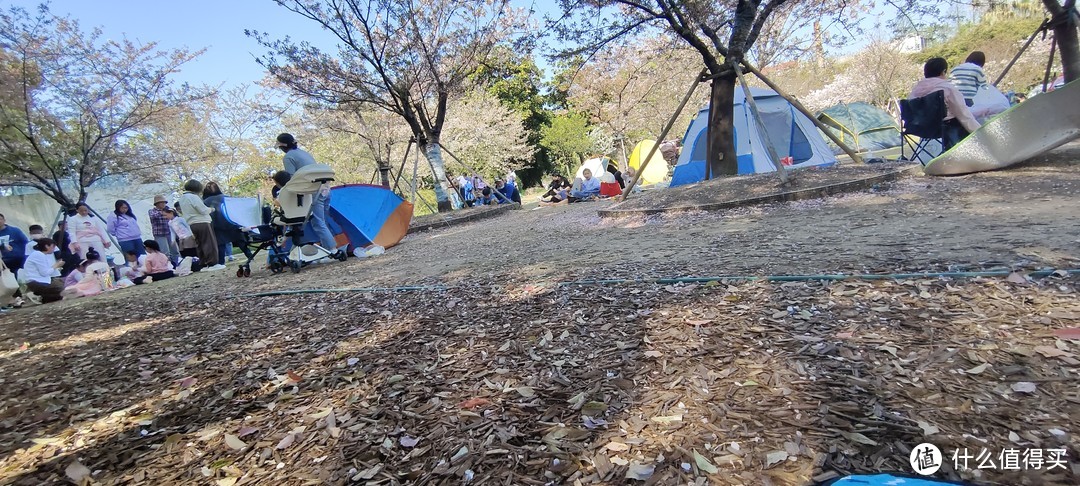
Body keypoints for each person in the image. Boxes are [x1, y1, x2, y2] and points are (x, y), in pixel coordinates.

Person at [276, 133, 340, 255]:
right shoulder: (304, 153)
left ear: (283, 146)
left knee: (317, 222)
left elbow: (291, 180)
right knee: (322, 220)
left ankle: (332, 250)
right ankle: (329, 247)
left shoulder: (288, 157)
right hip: (325, 188)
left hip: (313, 191)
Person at [909, 57, 981, 152]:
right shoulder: (947, 88)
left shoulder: (914, 91)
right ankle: (962, 153)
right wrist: (980, 132)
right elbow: (963, 113)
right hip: (942, 128)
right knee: (961, 121)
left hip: (918, 128)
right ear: (943, 71)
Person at [202, 181, 254, 266]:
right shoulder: (227, 198)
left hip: (216, 225)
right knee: (240, 240)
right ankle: (250, 256)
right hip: (231, 222)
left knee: (220, 243)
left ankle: (221, 262)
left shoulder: (205, 202)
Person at [177, 179, 225, 271]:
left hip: (192, 224)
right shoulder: (193, 197)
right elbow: (203, 210)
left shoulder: (182, 198)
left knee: (200, 244)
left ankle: (204, 264)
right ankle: (213, 263)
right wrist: (211, 209)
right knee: (209, 243)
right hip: (202, 222)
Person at [22, 238, 64, 304]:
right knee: (60, 289)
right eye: (53, 246)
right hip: (36, 282)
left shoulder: (39, 255)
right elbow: (44, 273)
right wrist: (56, 265)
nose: (54, 249)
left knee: (61, 289)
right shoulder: (39, 255)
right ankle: (37, 295)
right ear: (47, 246)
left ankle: (41, 297)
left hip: (37, 282)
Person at [148, 195, 180, 264]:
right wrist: (165, 212)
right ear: (156, 204)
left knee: (175, 251)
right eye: (161, 203)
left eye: (164, 202)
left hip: (170, 233)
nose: (163, 204)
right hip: (159, 234)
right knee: (164, 252)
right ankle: (168, 266)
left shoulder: (170, 209)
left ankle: (178, 264)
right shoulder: (152, 211)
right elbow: (154, 216)